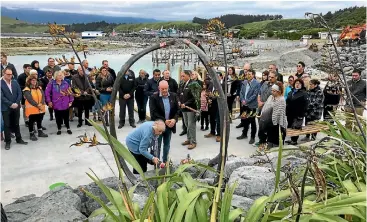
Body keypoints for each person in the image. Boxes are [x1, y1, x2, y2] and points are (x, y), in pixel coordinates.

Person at [149, 80, 179, 163]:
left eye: (166, 88)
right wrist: (164, 121)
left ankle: (165, 161)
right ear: (159, 88)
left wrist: (174, 119)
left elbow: (178, 110)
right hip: (158, 126)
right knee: (157, 145)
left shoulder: (174, 96)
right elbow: (153, 113)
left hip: (170, 125)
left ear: (168, 87)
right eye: (162, 89)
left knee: (167, 145)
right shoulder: (153, 97)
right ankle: (157, 162)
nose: (165, 90)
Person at [1, 68, 28, 149]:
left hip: (16, 106)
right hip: (6, 107)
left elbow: (19, 93)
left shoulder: (15, 82)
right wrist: (11, 104)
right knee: (7, 125)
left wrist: (16, 103)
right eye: (8, 74)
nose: (10, 76)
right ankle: (8, 141)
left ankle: (19, 138)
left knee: (16, 123)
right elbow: (1, 96)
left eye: (11, 74)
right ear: (3, 74)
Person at [258, 82, 287, 149]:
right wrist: (263, 116)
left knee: (276, 141)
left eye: (274, 91)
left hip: (277, 124)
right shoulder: (270, 97)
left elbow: (278, 114)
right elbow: (265, 107)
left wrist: (271, 121)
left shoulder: (281, 100)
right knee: (269, 139)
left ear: (279, 91)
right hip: (269, 123)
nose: (272, 92)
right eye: (272, 90)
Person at [45, 71, 74, 135]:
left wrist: (71, 101)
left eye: (61, 75)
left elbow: (70, 93)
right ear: (55, 76)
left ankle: (68, 128)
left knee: (66, 116)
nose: (60, 77)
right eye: (58, 75)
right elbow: (47, 93)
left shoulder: (66, 83)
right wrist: (49, 101)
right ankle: (59, 128)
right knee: (58, 117)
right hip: (56, 103)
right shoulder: (51, 83)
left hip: (65, 103)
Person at [237, 69, 260, 144]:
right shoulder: (244, 82)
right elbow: (241, 92)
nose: (248, 76)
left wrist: (247, 101)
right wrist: (242, 100)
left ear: (253, 75)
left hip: (251, 105)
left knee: (252, 121)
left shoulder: (256, 83)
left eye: (250, 74)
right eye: (247, 74)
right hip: (244, 105)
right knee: (244, 120)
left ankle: (252, 137)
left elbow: (255, 94)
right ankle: (244, 134)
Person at [23, 75, 48, 141]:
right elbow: (30, 99)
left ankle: (40, 132)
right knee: (31, 122)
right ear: (29, 81)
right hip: (32, 109)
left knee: (39, 120)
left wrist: (41, 103)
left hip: (40, 108)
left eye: (35, 80)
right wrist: (37, 105)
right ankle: (31, 134)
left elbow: (43, 96)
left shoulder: (39, 88)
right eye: (32, 80)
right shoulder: (27, 89)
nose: (34, 81)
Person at [178, 70, 198, 149]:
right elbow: (178, 93)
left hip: (191, 108)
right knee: (186, 124)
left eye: (183, 76)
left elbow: (194, 97)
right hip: (183, 108)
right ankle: (189, 139)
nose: (182, 77)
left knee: (191, 125)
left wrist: (185, 104)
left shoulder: (193, 84)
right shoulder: (182, 83)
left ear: (188, 75)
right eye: (181, 76)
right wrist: (179, 101)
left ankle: (193, 142)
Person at [286, 79, 309, 145]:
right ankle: (292, 139)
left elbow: (306, 104)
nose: (297, 84)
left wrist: (302, 114)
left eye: (299, 83)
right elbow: (287, 101)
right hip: (290, 113)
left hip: (298, 113)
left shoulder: (304, 93)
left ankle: (294, 140)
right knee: (290, 126)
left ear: (302, 85)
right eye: (296, 83)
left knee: (296, 127)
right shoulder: (291, 92)